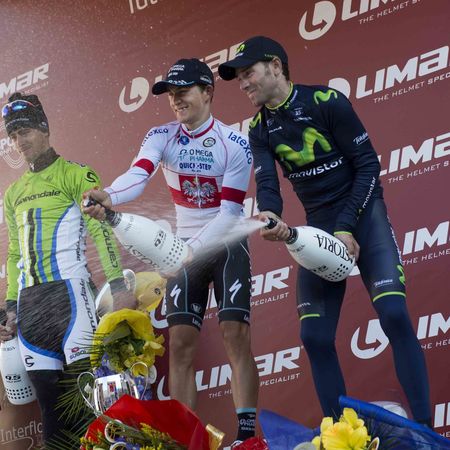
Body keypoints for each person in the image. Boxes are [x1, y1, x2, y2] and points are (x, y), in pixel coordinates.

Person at [218, 36, 432, 426]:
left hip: (363, 215)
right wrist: (271, 216)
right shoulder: (259, 128)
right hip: (318, 226)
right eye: (239, 77)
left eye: (248, 73)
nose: (243, 83)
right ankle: (340, 435)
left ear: (276, 67)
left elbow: (368, 166)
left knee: (393, 313)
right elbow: (268, 184)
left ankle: (426, 433)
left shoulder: (326, 101)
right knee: (314, 337)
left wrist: (347, 226)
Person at [82, 58, 259, 445]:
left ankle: (246, 437)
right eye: (170, 94)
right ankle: (186, 440)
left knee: (235, 335)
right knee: (179, 344)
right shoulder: (161, 135)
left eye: (183, 92)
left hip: (225, 244)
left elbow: (230, 213)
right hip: (182, 249)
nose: (176, 100)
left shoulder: (235, 143)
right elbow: (139, 174)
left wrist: (188, 250)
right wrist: (109, 195)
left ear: (207, 92)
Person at [0, 92, 136, 448]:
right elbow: (14, 254)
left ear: (44, 129)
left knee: (87, 398)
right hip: (31, 307)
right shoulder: (13, 193)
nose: (20, 141)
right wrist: (10, 307)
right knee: (51, 407)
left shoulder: (76, 173)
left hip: (70, 298)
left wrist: (118, 286)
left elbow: (100, 230)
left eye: (26, 131)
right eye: (13, 136)